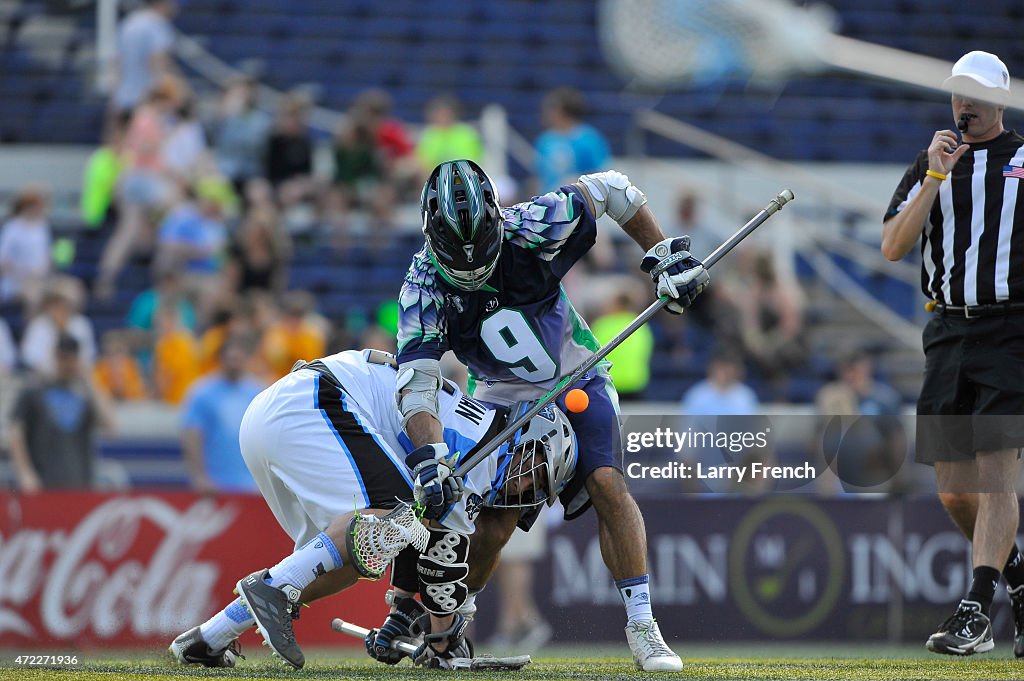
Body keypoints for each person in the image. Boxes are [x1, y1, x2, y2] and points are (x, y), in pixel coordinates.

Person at [394, 159, 709, 671]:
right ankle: (447, 626)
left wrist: (661, 255)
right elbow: (419, 383)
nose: (473, 262)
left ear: (497, 218)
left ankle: (643, 624)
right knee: (492, 526)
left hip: (576, 373)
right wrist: (430, 456)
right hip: (497, 397)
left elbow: (613, 190)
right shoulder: (422, 285)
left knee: (606, 481)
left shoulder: (532, 225)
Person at [168, 348, 577, 670]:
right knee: (390, 516)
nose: (525, 487)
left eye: (538, 488)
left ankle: (210, 637)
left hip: (280, 415)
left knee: (353, 558)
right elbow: (440, 554)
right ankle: (271, 590)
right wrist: (444, 643)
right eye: (534, 473)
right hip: (312, 403)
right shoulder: (483, 447)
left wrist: (401, 615)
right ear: (524, 438)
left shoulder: (482, 433)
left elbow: (423, 538)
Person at [881, 50, 1024, 657]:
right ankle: (1018, 583)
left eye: (974, 95)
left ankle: (976, 609)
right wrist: (935, 177)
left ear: (999, 100)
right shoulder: (928, 163)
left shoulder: (1022, 160)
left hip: (1010, 329)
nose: (963, 105)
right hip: (945, 331)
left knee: (996, 469)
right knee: (952, 488)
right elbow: (892, 245)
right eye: (956, 94)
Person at [7, 334, 115, 492]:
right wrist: (25, 472)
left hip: (80, 485)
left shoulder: (84, 394)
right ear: (55, 357)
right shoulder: (35, 389)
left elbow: (111, 427)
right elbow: (15, 432)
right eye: (63, 358)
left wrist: (89, 381)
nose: (67, 364)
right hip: (43, 484)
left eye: (71, 359)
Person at [180, 334, 263, 494]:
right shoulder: (202, 393)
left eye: (239, 359)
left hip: (251, 485)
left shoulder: (257, 392)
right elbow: (192, 435)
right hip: (215, 485)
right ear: (221, 360)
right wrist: (200, 476)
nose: (235, 364)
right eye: (231, 359)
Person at [110, 0, 179, 120]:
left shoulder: (129, 22)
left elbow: (118, 64)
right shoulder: (157, 24)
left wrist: (115, 98)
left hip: (124, 98)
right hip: (147, 101)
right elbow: (157, 63)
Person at [534, 88, 611, 192]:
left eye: (551, 108)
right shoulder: (545, 140)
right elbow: (538, 176)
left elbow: (599, 175)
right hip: (548, 201)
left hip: (575, 202)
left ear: (561, 111)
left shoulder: (589, 139)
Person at [0, 186, 52, 310]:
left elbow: (47, 258)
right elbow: (3, 262)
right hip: (15, 282)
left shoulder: (42, 227)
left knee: (69, 291)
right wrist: (24, 274)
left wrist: (42, 273)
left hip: (40, 279)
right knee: (35, 295)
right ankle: (33, 329)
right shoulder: (12, 228)